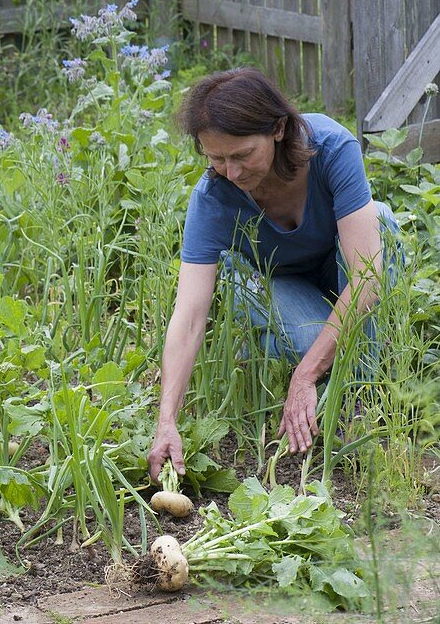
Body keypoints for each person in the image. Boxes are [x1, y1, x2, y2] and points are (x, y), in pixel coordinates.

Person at [147, 67, 398, 482]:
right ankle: (346, 385)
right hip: (281, 282)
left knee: (381, 220)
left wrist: (304, 375)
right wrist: (166, 419)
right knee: (308, 339)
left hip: (345, 266)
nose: (232, 172)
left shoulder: (331, 148)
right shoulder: (212, 198)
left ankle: (361, 396)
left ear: (278, 128)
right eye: (216, 158)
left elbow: (366, 278)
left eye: (242, 155)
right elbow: (189, 317)